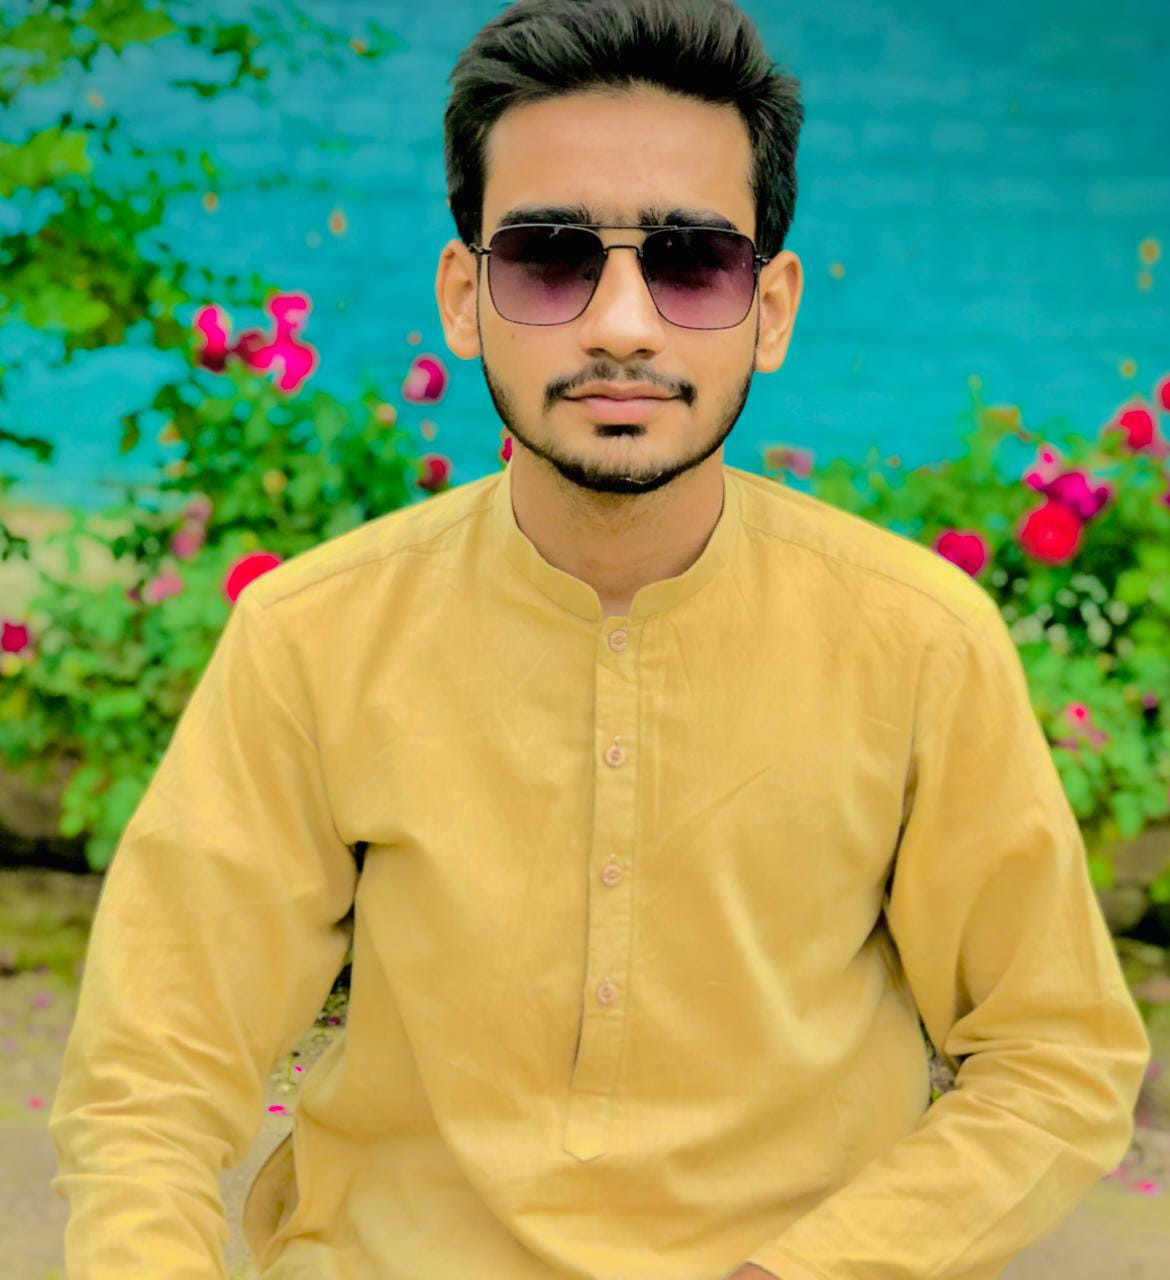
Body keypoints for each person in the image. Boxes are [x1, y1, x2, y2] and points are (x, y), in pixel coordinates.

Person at [48, 1, 1152, 1277]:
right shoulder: (316, 636)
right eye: (550, 257)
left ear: (770, 308)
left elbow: (1054, 1052)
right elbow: (151, 1076)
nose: (622, 323)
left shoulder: (915, 642)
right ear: (465, 296)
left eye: (691, 263)